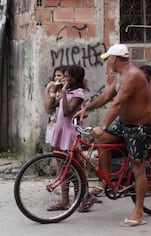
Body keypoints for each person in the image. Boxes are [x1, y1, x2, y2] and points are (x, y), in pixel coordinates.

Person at [75, 44, 151, 227]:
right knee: (101, 140)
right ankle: (108, 181)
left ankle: (139, 212)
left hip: (139, 127)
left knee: (138, 167)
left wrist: (103, 126)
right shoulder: (120, 76)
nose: (107, 62)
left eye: (108, 59)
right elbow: (106, 96)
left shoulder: (133, 75)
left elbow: (117, 104)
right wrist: (87, 107)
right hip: (124, 124)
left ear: (116, 59)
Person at [44, 65, 91, 211]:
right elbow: (51, 107)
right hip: (59, 131)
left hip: (70, 134)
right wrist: (52, 91)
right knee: (62, 166)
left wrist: (63, 93)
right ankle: (64, 200)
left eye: (66, 76)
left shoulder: (78, 94)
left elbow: (66, 112)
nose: (63, 79)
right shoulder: (68, 91)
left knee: (74, 167)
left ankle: (81, 198)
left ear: (75, 79)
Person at [43, 66, 67, 149]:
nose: (56, 78)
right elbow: (48, 109)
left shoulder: (68, 91)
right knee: (56, 151)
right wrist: (49, 90)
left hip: (65, 124)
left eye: (59, 75)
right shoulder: (52, 90)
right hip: (54, 124)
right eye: (55, 75)